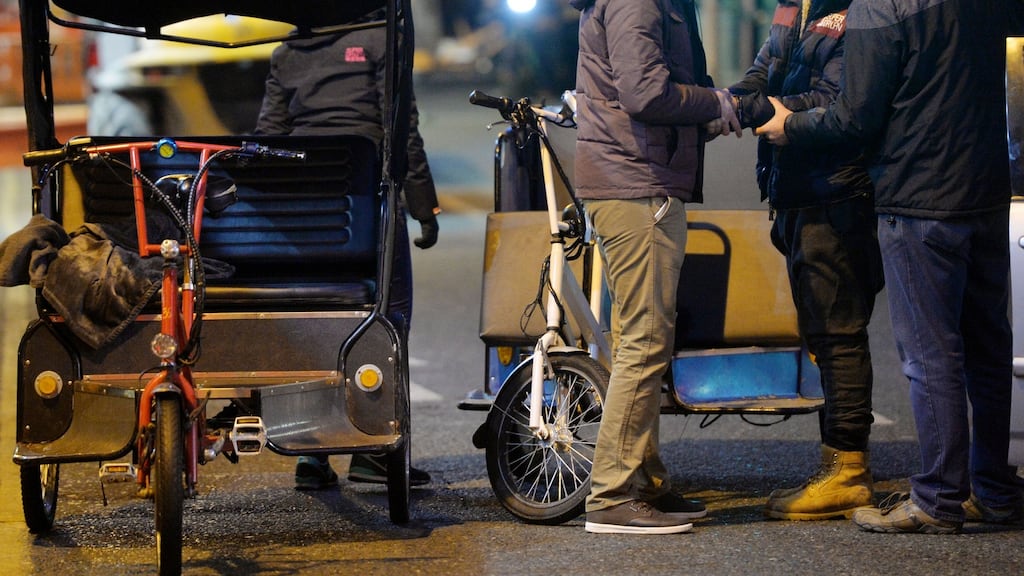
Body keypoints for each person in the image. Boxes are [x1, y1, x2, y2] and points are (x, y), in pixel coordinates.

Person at [757, 0, 1024, 533]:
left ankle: (938, 499)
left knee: (930, 355)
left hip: (918, 195)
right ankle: (993, 488)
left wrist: (792, 124)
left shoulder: (882, 7)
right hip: (987, 189)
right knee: (987, 350)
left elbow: (854, 114)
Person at [569, 0, 742, 534]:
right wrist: (715, 102)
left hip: (640, 179)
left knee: (635, 338)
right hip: (637, 184)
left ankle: (644, 481)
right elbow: (645, 93)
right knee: (645, 340)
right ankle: (612, 494)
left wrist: (710, 113)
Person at [254, 10, 439, 490]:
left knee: (310, 319)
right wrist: (423, 205)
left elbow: (269, 136)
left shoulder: (287, 51)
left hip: (306, 208)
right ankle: (373, 454)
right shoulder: (383, 37)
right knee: (389, 318)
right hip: (367, 201)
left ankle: (309, 453)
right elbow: (401, 129)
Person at [728, 0, 883, 521]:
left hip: (835, 192)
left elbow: (838, 100)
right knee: (822, 332)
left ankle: (848, 471)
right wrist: (730, 101)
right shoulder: (793, 6)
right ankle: (840, 461)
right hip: (793, 189)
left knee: (839, 335)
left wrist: (762, 109)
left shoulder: (858, 11)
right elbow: (763, 68)